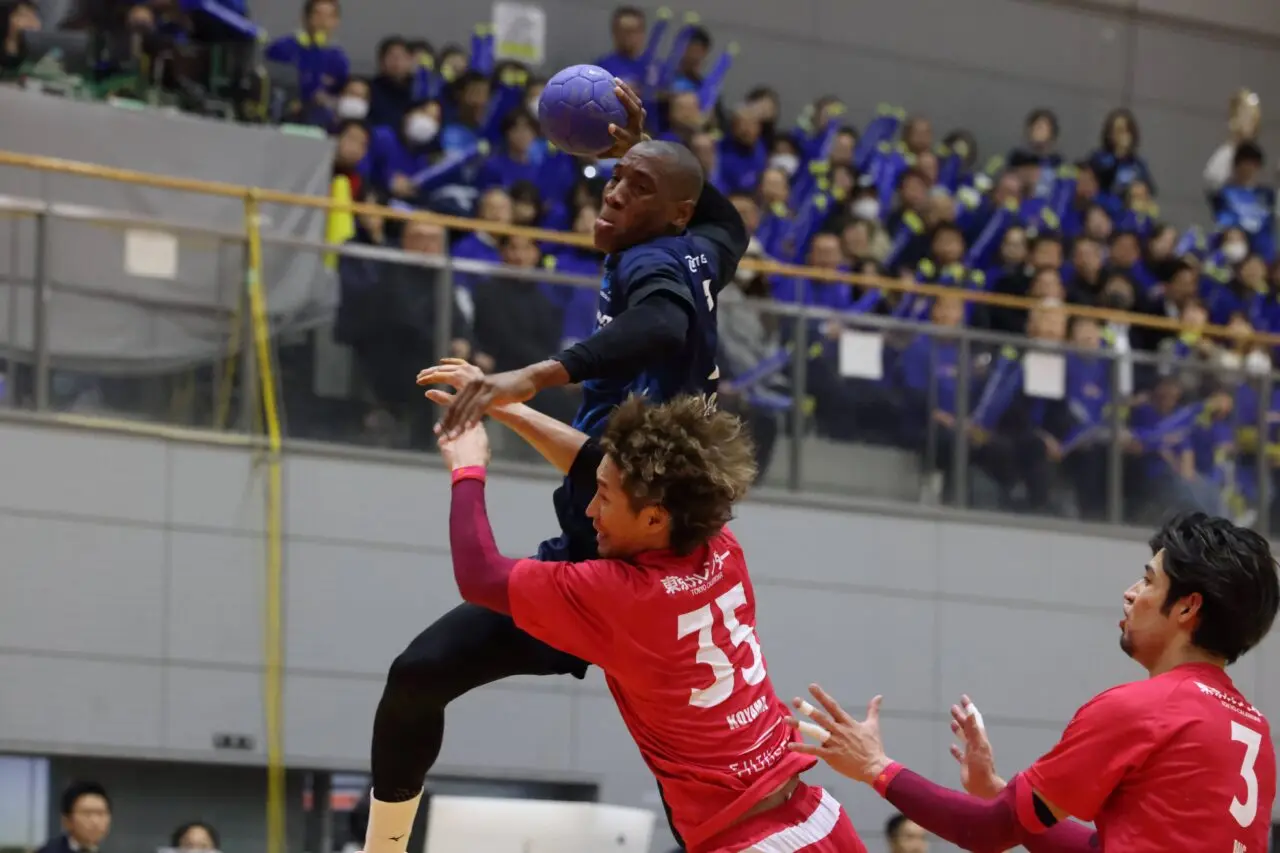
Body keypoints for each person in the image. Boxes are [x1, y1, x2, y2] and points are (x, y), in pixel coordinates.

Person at [362, 78, 750, 853]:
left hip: (619, 571)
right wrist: (644, 148)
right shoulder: (699, 248)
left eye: (638, 188)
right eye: (614, 178)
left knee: (419, 674)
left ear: (673, 214)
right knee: (694, 782)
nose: (614, 193)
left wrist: (528, 383)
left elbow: (662, 325)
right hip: (650, 553)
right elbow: (728, 224)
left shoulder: (652, 266)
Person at [432, 384, 865, 853]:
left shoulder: (622, 595)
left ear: (655, 519)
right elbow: (601, 468)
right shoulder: (718, 544)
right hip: (817, 817)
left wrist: (468, 466)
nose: (590, 510)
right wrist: (511, 409)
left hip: (753, 842)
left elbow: (479, 575)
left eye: (603, 498)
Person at [785, 512, 1279, 853]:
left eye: (1148, 580)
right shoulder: (1253, 728)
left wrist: (876, 767)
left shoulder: (1143, 708)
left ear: (1188, 608)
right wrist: (997, 790)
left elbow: (987, 832)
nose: (1130, 594)